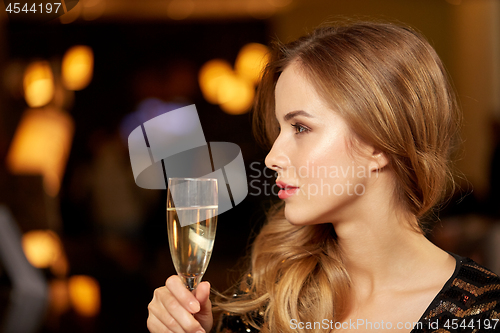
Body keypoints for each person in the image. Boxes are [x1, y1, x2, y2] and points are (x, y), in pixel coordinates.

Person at [147, 21, 500, 333]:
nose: (271, 158)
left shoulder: (483, 314)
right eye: (280, 129)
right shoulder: (266, 300)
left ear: (378, 144)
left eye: (301, 127)